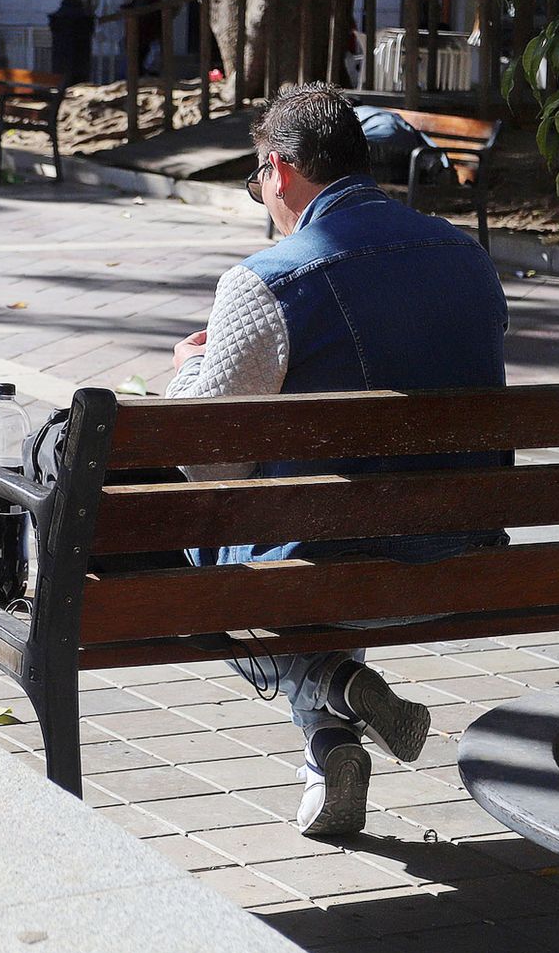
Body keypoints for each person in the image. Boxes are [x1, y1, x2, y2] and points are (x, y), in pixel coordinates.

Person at [166, 82, 509, 836]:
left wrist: (187, 367)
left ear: (279, 169)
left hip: (333, 575)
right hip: (465, 560)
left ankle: (338, 681)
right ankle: (331, 751)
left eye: (257, 178)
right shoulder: (468, 258)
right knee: (324, 512)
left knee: (202, 531)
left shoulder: (264, 281)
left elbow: (207, 465)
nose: (261, 195)